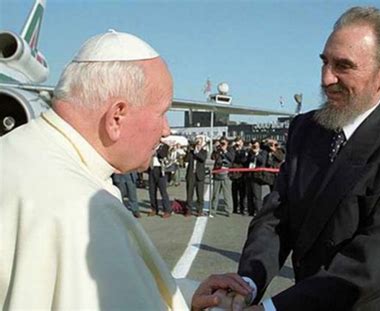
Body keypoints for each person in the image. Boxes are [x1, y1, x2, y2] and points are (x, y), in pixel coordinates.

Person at [0, 30, 249, 310]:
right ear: (116, 117)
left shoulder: (14, 152)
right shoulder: (85, 211)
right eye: (162, 112)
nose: (166, 129)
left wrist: (186, 295)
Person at [227, 7, 380, 311]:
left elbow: (376, 259)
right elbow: (276, 218)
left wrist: (274, 309)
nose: (326, 78)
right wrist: (247, 285)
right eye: (325, 62)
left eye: (343, 66)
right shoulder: (305, 129)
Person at [211, 137, 235, 217]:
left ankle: (228, 210)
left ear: (227, 143)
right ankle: (213, 209)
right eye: (221, 143)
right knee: (215, 194)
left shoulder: (230, 150)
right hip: (217, 174)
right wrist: (215, 148)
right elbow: (213, 157)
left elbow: (232, 158)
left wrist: (225, 150)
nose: (222, 145)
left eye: (223, 143)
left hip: (226, 175)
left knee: (227, 194)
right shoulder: (218, 150)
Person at [185, 135, 208, 216]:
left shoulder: (203, 151)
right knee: (189, 193)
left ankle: (199, 210)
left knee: (200, 194)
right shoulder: (191, 151)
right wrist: (188, 151)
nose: (197, 143)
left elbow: (202, 158)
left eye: (199, 141)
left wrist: (197, 152)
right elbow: (186, 159)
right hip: (191, 174)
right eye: (196, 141)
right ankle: (188, 210)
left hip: (200, 175)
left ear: (202, 143)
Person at [148, 142, 172, 218]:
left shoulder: (164, 146)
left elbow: (163, 154)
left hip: (160, 170)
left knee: (163, 191)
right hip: (151, 169)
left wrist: (156, 150)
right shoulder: (150, 146)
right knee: (152, 191)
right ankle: (154, 208)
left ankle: (167, 210)